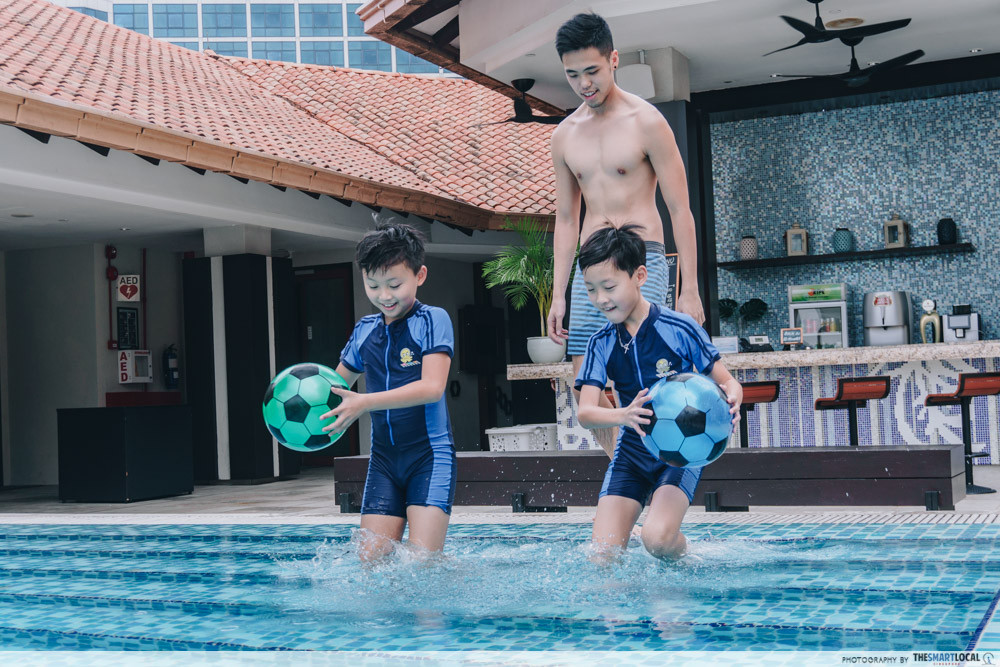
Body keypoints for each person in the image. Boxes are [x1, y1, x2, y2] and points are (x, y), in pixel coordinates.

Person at [546, 12, 705, 455]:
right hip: (591, 266)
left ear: (613, 59)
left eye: (592, 71)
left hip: (642, 258)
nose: (584, 84)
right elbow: (566, 218)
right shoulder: (564, 135)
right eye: (572, 75)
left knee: (644, 374)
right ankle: (626, 466)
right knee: (584, 385)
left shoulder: (647, 122)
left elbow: (680, 209)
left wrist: (690, 289)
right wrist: (559, 294)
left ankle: (654, 469)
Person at [573, 225, 742, 562]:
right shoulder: (600, 343)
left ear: (639, 276)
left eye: (609, 287)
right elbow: (586, 413)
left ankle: (684, 550)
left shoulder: (679, 327)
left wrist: (734, 394)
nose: (601, 299)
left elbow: (727, 381)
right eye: (591, 289)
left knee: (658, 542)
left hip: (683, 448)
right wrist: (623, 415)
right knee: (602, 556)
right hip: (632, 453)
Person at [320, 223, 456, 562]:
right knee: (370, 563)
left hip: (429, 459)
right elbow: (334, 388)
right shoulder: (365, 331)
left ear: (419, 275)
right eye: (373, 285)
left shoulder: (433, 320)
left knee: (422, 562)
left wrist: (365, 402)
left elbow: (432, 388)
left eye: (394, 285)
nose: (384, 295)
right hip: (383, 462)